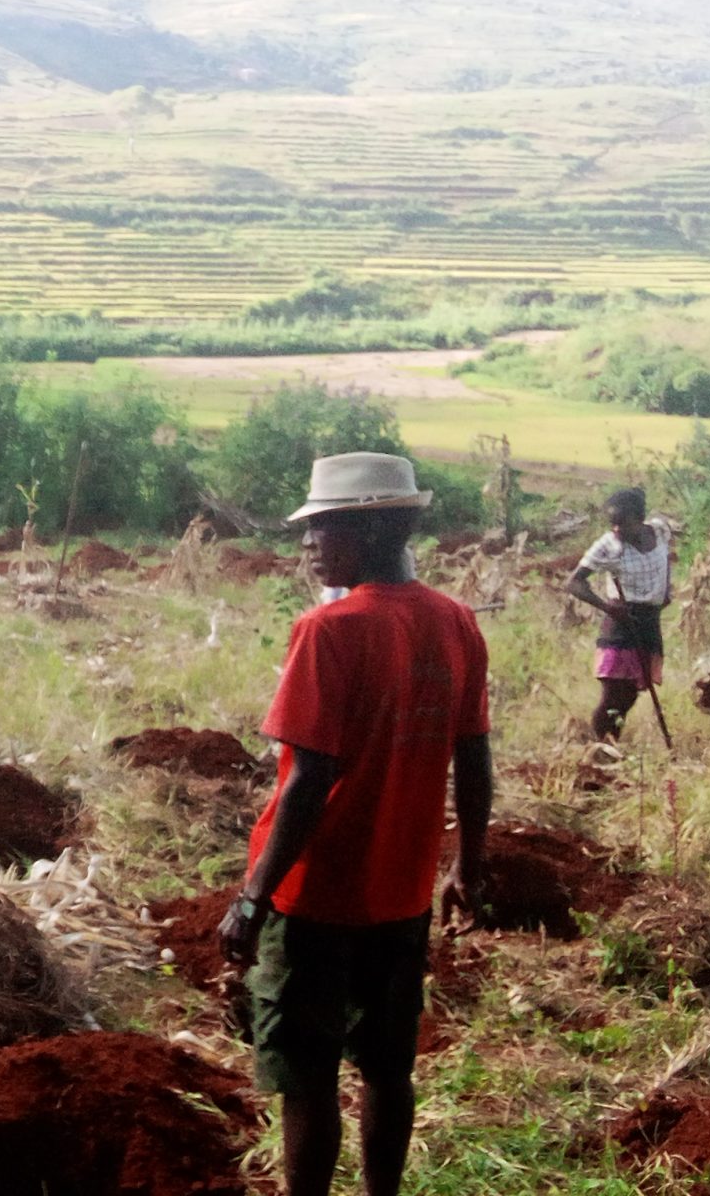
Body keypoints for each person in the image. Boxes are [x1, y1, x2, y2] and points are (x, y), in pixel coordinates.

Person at [218, 452, 494, 1196]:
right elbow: (474, 758)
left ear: (374, 529)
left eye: (325, 526)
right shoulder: (456, 622)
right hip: (401, 892)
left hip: (315, 895)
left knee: (307, 1080)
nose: (309, 542)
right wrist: (466, 866)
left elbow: (308, 781)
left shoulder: (329, 629)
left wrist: (252, 896)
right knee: (387, 1069)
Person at [565, 488, 671, 742]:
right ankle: (600, 747)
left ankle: (610, 744)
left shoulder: (659, 531)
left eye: (622, 523)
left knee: (630, 694)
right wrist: (607, 607)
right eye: (612, 523)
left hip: (649, 623)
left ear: (639, 519)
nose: (616, 529)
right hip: (621, 623)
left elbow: (666, 559)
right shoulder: (609, 545)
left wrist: (666, 590)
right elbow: (574, 582)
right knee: (613, 694)